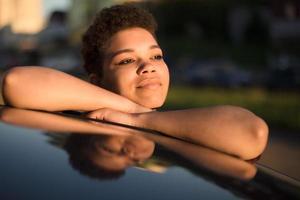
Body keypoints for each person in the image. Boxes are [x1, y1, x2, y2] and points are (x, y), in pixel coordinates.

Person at [1, 4, 268, 160]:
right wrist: (124, 106)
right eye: (127, 60)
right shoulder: (84, 123)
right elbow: (15, 82)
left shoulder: (183, 127)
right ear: (98, 79)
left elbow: (252, 133)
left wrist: (140, 119)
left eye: (156, 55)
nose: (148, 67)